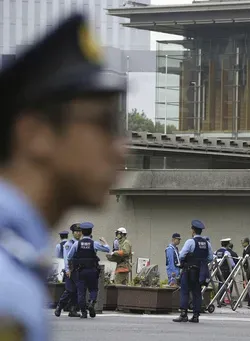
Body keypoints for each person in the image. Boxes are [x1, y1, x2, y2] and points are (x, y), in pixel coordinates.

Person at [0, 13, 126, 341]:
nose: (121, 148)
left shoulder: (17, 254)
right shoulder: (8, 295)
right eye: (104, 124)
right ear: (36, 134)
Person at [173, 220, 213, 323]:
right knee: (197, 292)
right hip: (200, 272)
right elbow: (210, 258)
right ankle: (196, 316)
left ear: (193, 231)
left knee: (185, 291)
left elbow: (181, 255)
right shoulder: (207, 243)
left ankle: (183, 314)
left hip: (188, 270)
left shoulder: (190, 242)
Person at [67, 222, 110, 318]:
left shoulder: (76, 244)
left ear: (81, 232)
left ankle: (83, 312)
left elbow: (69, 256)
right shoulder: (94, 244)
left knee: (81, 292)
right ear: (91, 232)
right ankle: (91, 302)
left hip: (80, 271)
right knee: (93, 289)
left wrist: (71, 266)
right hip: (92, 271)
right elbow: (107, 249)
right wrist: (105, 242)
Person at [54, 223, 83, 318]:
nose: (78, 233)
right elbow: (66, 258)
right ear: (73, 233)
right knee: (69, 290)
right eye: (76, 232)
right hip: (71, 270)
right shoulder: (68, 244)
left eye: (80, 232)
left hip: (79, 270)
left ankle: (73, 310)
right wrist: (67, 269)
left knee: (76, 291)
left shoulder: (82, 243)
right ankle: (59, 306)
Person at [241, 237, 250, 306]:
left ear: (247, 242)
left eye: (243, 242)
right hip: (246, 270)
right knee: (246, 285)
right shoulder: (245, 250)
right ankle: (249, 300)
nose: (242, 243)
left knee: (249, 285)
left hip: (249, 270)